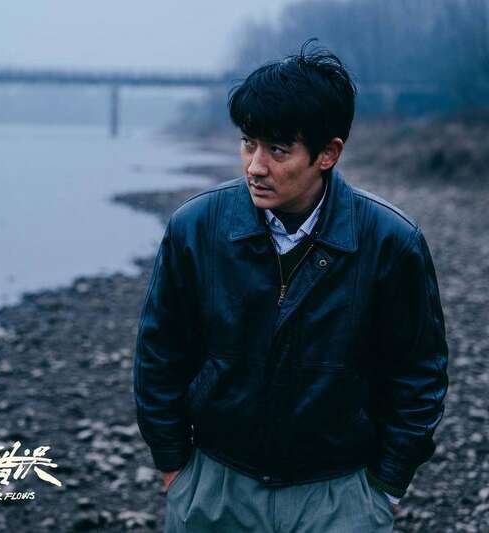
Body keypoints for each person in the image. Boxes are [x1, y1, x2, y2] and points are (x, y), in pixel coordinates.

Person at [132, 39, 449, 532]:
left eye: (278, 149)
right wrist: (176, 467)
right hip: (215, 484)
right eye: (248, 143)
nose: (255, 166)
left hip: (339, 494)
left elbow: (419, 374)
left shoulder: (390, 242)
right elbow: (159, 355)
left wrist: (385, 487)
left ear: (328, 153)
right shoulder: (196, 228)